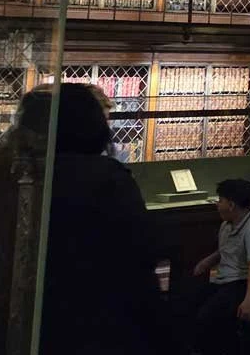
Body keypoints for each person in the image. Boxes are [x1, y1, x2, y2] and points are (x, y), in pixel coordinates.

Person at [13, 84, 168, 355]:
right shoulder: (108, 178)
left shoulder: (17, 173)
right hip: (102, 317)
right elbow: (143, 249)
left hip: (37, 315)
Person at [191, 177, 250, 355]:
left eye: (220, 201)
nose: (217, 205)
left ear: (232, 205)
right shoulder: (226, 225)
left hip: (242, 282)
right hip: (223, 280)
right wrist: (208, 261)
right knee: (188, 302)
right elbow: (226, 251)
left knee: (207, 317)